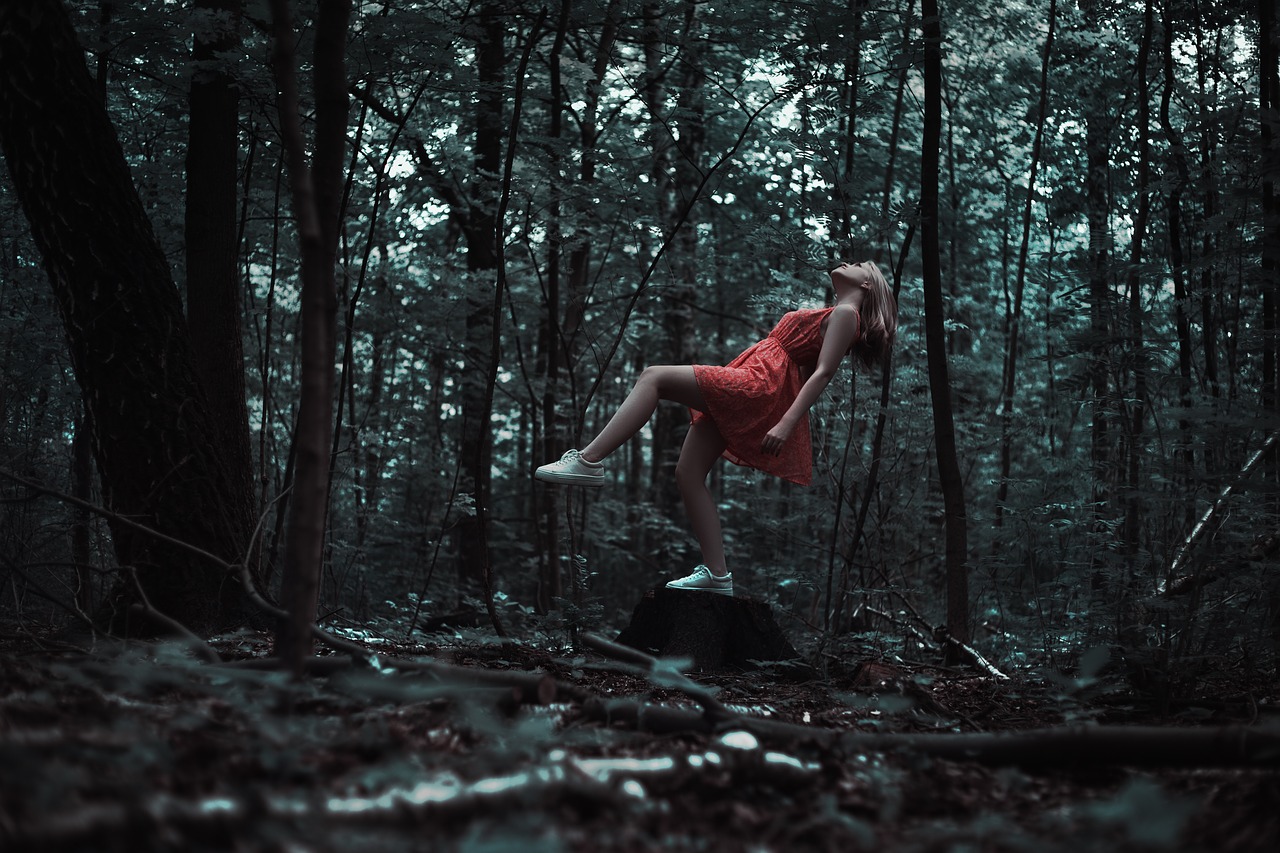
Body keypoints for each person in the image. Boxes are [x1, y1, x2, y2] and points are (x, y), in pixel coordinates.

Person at [535, 260, 898, 597]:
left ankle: (589, 461)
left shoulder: (848, 314)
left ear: (866, 282)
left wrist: (786, 422)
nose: (847, 263)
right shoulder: (838, 312)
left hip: (759, 384)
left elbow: (823, 372)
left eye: (857, 264)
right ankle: (717, 576)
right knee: (688, 472)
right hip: (757, 377)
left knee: (654, 376)